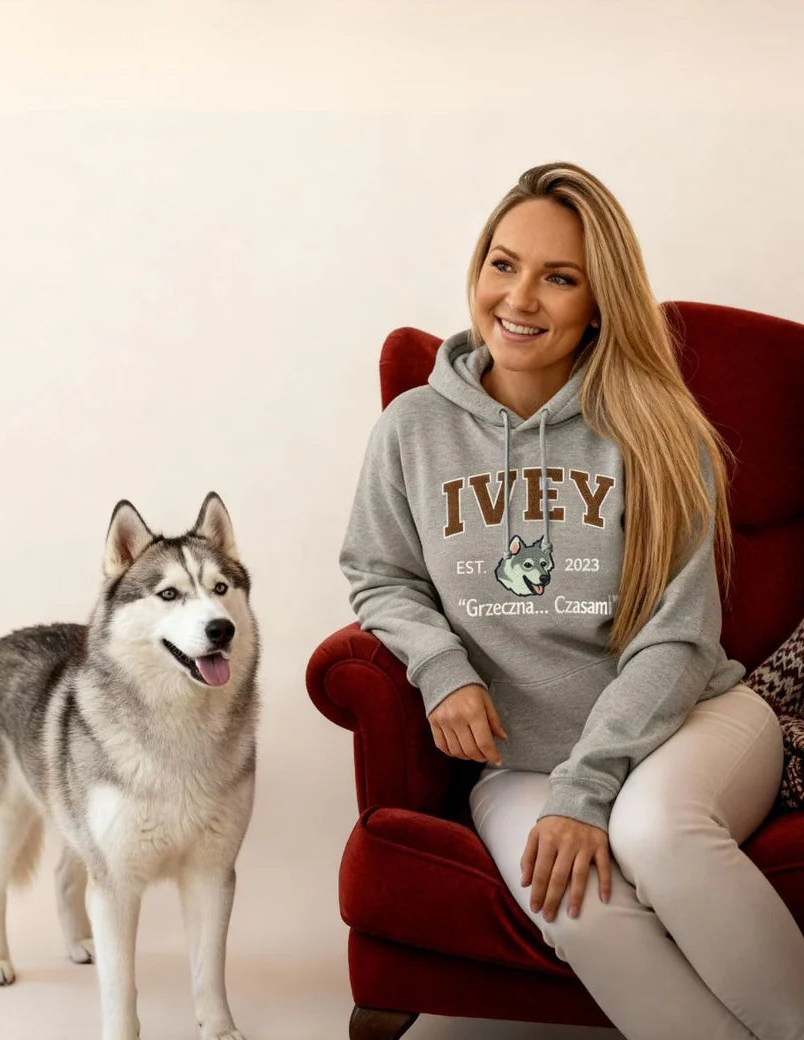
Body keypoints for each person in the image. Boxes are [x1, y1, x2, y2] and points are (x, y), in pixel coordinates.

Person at [339, 161, 804, 1040]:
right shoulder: (413, 429)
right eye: (503, 264)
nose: (520, 298)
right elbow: (380, 571)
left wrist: (585, 790)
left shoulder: (659, 431)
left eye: (560, 278)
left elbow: (678, 637)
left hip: (691, 722)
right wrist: (441, 667)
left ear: (598, 303)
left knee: (656, 832)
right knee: (573, 902)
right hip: (519, 760)